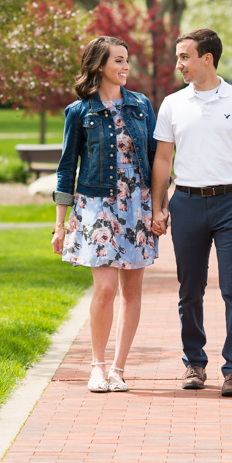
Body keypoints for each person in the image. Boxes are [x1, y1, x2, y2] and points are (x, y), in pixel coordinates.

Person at [150, 28, 232, 398]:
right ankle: (194, 363)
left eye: (185, 57)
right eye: (177, 57)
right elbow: (163, 158)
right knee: (189, 289)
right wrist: (159, 205)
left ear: (208, 58)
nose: (178, 64)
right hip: (185, 201)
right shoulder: (173, 103)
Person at [51, 36, 159, 393]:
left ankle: (118, 368)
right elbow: (67, 168)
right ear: (99, 65)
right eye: (118, 61)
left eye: (127, 60)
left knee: (132, 291)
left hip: (137, 206)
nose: (126, 67)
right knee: (107, 288)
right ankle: (96, 367)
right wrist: (59, 224)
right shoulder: (79, 112)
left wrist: (160, 207)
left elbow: (159, 161)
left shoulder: (142, 105)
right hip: (96, 205)